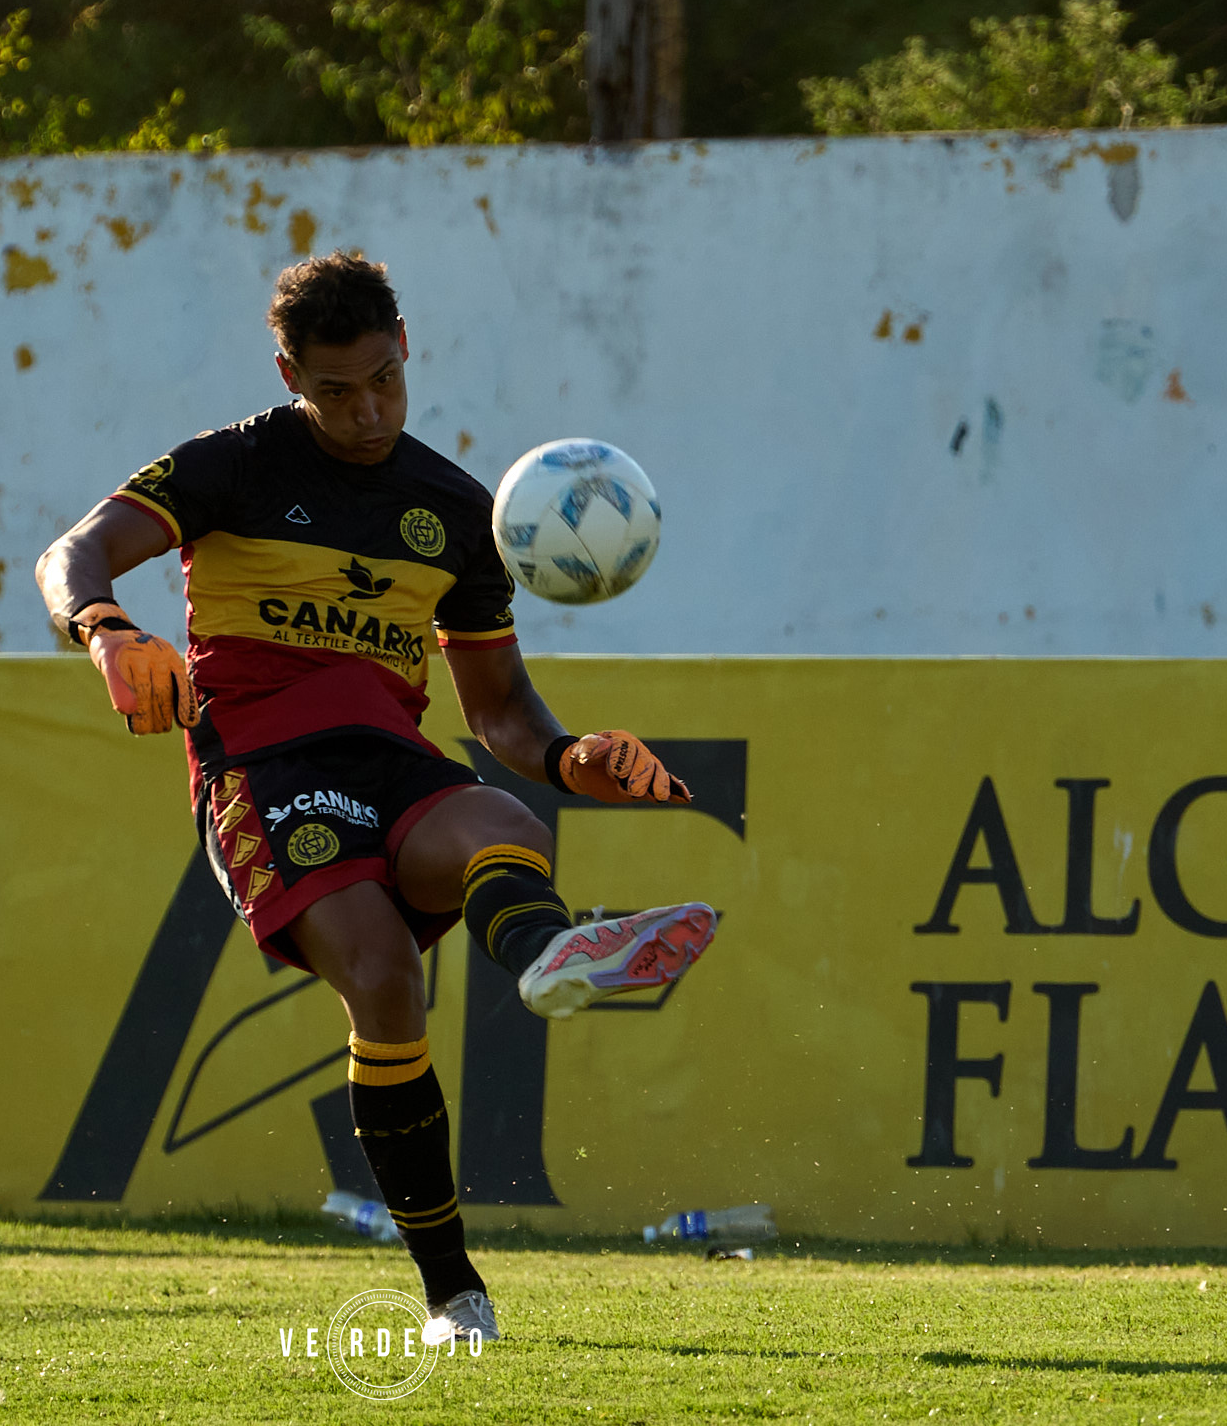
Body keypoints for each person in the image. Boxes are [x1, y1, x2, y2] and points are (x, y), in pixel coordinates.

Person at [35, 251, 716, 1344]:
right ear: (288, 372)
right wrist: (105, 629)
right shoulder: (231, 466)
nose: (365, 412)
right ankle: (454, 1293)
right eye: (334, 390)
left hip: (388, 758)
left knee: (506, 822)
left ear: (407, 350)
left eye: (383, 381)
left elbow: (499, 716)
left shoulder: (455, 511)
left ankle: (549, 954)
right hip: (261, 764)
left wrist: (580, 756)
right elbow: (74, 554)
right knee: (384, 974)